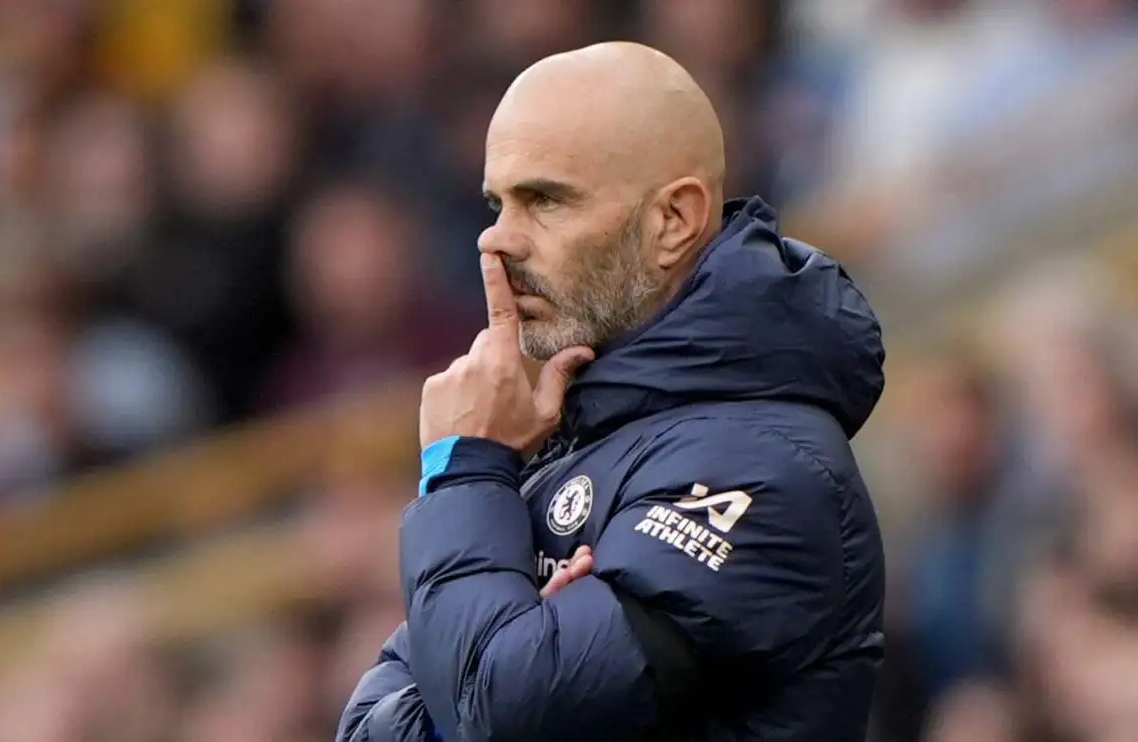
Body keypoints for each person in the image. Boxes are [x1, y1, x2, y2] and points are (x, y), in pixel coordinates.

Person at [338, 41, 885, 742]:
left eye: (543, 200)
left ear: (673, 221)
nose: (497, 243)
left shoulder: (771, 471)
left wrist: (463, 470)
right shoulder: (558, 440)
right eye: (496, 204)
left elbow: (504, 713)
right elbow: (368, 729)